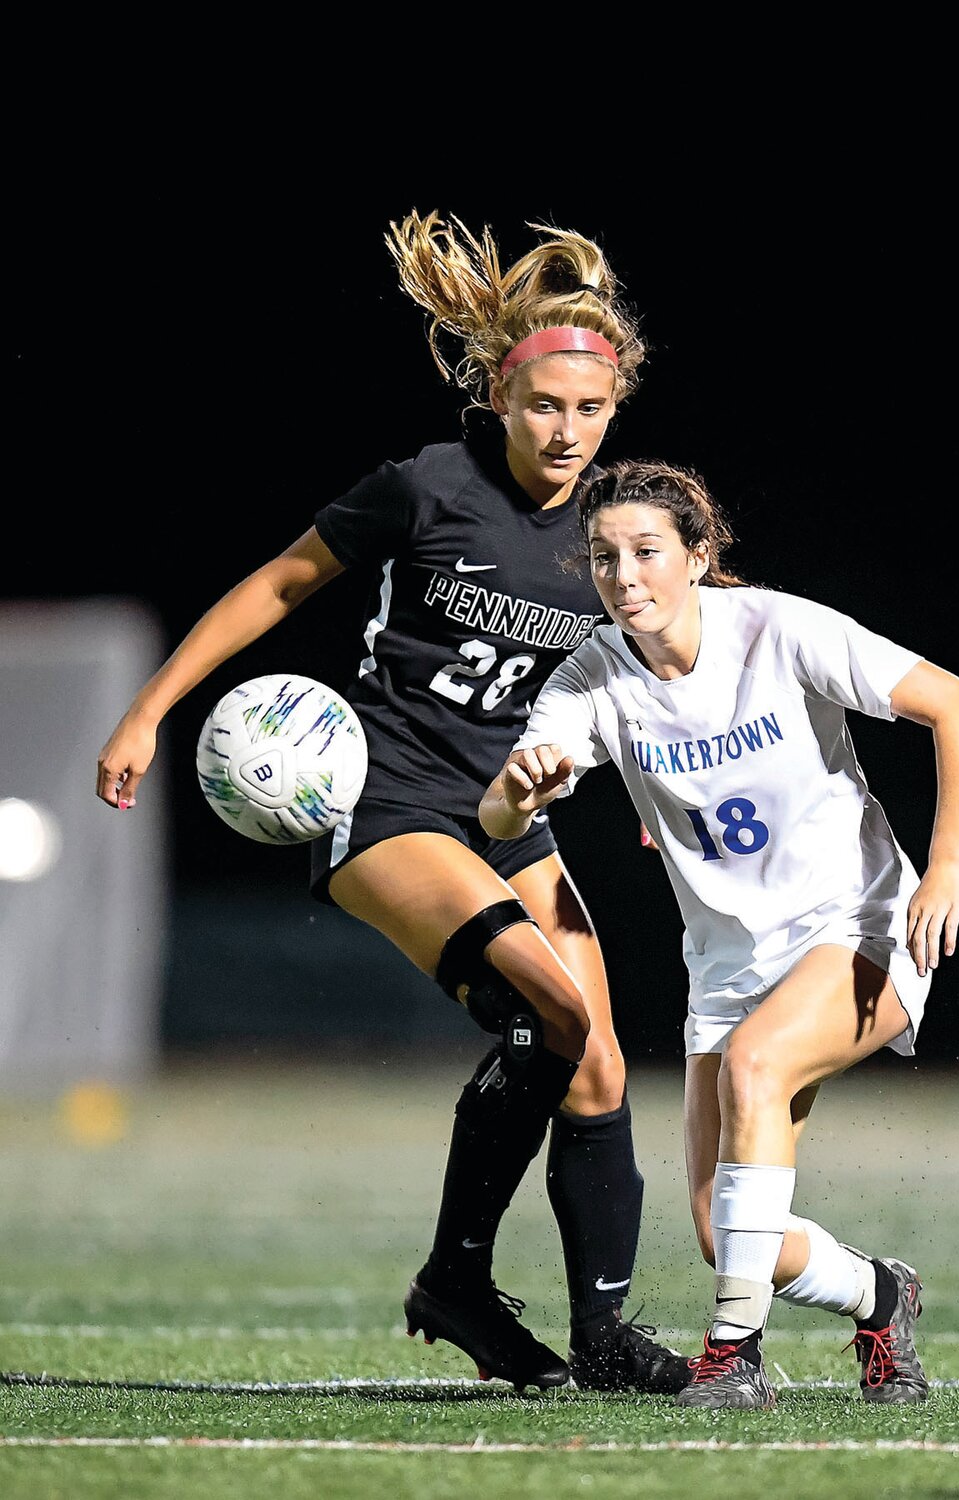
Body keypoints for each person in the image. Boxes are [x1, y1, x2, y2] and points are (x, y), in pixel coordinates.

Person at [94, 213, 692, 1397]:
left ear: (615, 409)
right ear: (504, 401)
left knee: (602, 1066)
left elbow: (688, 658)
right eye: (544, 408)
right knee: (554, 1007)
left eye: (590, 410)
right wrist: (150, 710)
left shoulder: (622, 532)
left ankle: (589, 1330)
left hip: (513, 812)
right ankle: (462, 1283)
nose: (567, 432)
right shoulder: (430, 487)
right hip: (387, 798)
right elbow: (278, 582)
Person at [479, 457, 959, 1410]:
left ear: (699, 554)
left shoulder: (777, 629)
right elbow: (500, 817)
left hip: (861, 927)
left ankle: (732, 1357)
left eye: (646, 552)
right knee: (728, 1231)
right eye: (602, 557)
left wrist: (949, 865)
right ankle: (883, 1294)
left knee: (757, 1069)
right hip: (727, 968)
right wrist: (518, 791)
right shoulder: (594, 674)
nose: (624, 577)